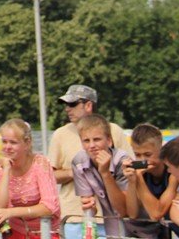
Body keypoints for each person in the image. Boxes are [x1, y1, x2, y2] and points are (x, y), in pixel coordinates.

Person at [47, 84, 127, 237]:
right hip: (74, 217)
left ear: (88, 105)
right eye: (65, 105)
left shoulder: (114, 130)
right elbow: (50, 176)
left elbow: (128, 168)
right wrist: (78, 172)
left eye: (72, 104)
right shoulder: (60, 134)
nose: (67, 109)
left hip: (112, 217)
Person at [0, 118, 60, 239]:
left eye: (13, 142)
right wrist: (6, 171)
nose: (7, 147)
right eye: (4, 142)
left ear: (27, 143)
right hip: (15, 233)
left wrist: (12, 212)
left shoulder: (40, 163)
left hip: (45, 232)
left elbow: (49, 207)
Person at [71, 114, 128, 239]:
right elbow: (89, 207)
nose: (91, 146)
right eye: (86, 141)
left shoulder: (122, 161)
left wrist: (105, 173)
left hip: (138, 226)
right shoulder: (78, 161)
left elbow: (122, 210)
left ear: (109, 140)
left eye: (97, 139)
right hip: (111, 227)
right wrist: (89, 206)